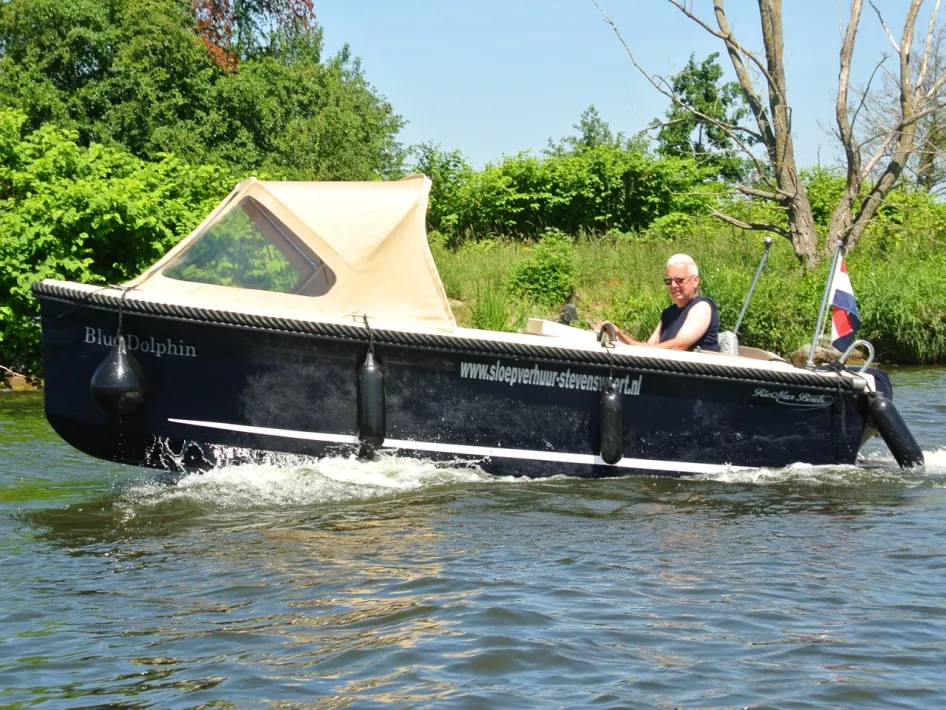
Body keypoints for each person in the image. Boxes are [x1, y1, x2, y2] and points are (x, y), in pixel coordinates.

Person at [601, 253, 720, 352]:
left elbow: (679, 346)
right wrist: (620, 335)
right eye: (669, 281)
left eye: (679, 280)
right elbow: (649, 347)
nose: (673, 285)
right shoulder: (668, 314)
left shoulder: (702, 307)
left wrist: (642, 352)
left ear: (695, 281)